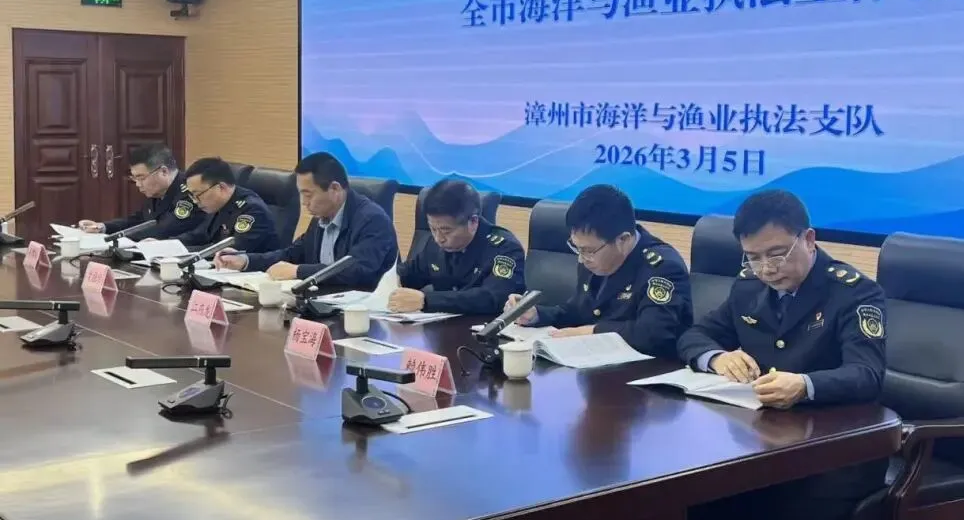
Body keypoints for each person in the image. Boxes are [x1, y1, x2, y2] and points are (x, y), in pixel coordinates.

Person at [678, 189, 888, 520]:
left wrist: (804, 385)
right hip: (762, 443)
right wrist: (716, 357)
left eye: (776, 254)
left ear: (808, 239)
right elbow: (694, 336)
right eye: (753, 257)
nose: (766, 269)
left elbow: (867, 374)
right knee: (691, 502)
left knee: (756, 519)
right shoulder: (749, 287)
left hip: (836, 453)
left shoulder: (854, 293)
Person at [504, 184, 692, 359]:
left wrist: (591, 331)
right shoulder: (593, 256)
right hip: (597, 366)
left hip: (649, 373)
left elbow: (654, 334)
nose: (581, 258)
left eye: (588, 250)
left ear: (623, 239)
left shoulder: (663, 268)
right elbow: (579, 311)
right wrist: (537, 314)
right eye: (577, 247)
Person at [214, 152, 397, 287]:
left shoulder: (372, 220)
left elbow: (356, 270)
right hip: (323, 304)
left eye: (308, 195)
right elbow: (291, 254)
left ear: (334, 189)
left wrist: (297, 271)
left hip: (362, 313)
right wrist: (246, 260)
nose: (303, 202)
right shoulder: (321, 217)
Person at [392, 179, 525, 314]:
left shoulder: (504, 248)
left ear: (473, 221)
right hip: (442, 325)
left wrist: (427, 301)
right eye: (433, 229)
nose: (439, 238)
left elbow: (493, 298)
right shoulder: (434, 244)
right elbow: (409, 274)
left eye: (446, 231)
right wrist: (391, 281)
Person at [78, 143, 200, 240]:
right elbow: (140, 220)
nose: (137, 184)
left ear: (163, 171)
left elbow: (163, 230)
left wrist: (118, 238)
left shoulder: (190, 191)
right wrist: (103, 227)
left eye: (141, 178)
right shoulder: (158, 191)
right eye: (134, 178)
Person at [175, 157, 280, 254]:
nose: (195, 201)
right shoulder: (217, 204)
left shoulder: (252, 210)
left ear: (221, 187)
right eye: (192, 195)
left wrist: (184, 252)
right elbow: (199, 235)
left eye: (198, 194)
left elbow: (229, 251)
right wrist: (170, 244)